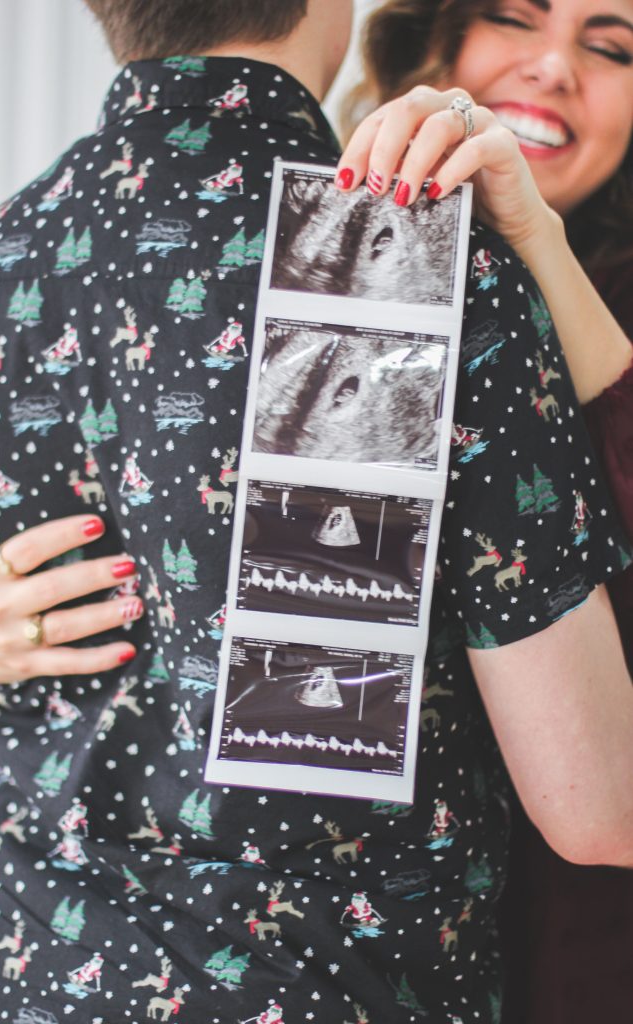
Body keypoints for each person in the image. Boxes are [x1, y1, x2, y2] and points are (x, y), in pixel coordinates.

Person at [0, 1, 632, 1021]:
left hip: (20, 977)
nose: (550, 69)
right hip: (320, 986)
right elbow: (593, 803)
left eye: (610, 44)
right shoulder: (387, 256)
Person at [331, 1, 633, 1020]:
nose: (552, 68)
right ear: (433, 34)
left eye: (611, 48)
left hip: (575, 951)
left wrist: (530, 239)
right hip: (341, 958)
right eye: (513, 17)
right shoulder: (294, 269)